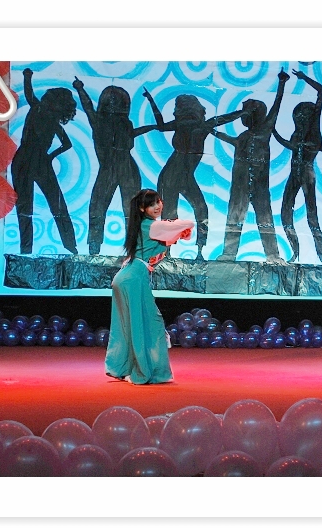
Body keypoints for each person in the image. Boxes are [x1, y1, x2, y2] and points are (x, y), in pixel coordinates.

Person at [142, 89, 245, 260]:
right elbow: (161, 126)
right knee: (172, 215)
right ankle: (169, 252)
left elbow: (223, 118)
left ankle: (198, 251)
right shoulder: (191, 125)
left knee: (200, 209)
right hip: (171, 175)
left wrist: (242, 112)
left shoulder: (199, 126)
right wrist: (151, 101)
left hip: (184, 176)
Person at [104, 189, 194, 384]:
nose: (158, 206)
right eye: (152, 204)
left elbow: (177, 234)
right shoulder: (151, 226)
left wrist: (179, 233)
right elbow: (187, 224)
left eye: (159, 201)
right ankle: (142, 373)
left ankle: (122, 368)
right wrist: (176, 227)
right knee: (147, 324)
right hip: (133, 278)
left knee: (129, 326)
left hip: (128, 277)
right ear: (142, 208)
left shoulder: (146, 227)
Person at [211, 69, 290, 263]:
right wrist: (213, 131)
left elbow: (276, 107)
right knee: (235, 216)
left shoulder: (264, 130)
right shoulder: (244, 136)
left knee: (265, 217)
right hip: (240, 183)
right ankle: (229, 253)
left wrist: (282, 84)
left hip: (259, 184)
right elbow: (228, 138)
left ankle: (272, 254)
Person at [72, 78, 157, 255]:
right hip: (116, 167)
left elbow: (88, 106)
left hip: (121, 167)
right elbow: (87, 106)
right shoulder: (106, 121)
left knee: (113, 208)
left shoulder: (113, 122)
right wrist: (80, 89)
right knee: (104, 207)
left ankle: (119, 247)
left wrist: (80, 88)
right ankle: (99, 246)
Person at [11, 68, 78, 254]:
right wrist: (51, 155)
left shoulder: (39, 110)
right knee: (53, 205)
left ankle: (29, 249)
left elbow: (29, 94)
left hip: (28, 158)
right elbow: (67, 144)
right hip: (35, 159)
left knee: (29, 207)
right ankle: (70, 245)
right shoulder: (45, 114)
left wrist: (27, 77)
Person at [272, 70, 322, 263]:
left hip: (306, 174)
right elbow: (290, 145)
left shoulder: (313, 130)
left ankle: (320, 250)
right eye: (299, 115)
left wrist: (304, 78)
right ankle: (295, 249)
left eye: (304, 115)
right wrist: (274, 132)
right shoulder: (298, 132)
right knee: (286, 211)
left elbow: (321, 91)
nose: (301, 118)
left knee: (311, 213)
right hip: (294, 174)